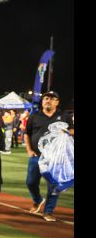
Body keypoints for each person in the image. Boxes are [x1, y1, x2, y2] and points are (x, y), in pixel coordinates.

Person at [24, 91, 74, 222]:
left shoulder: (64, 115)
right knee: (31, 182)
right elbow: (27, 134)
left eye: (52, 99)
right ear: (42, 101)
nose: (48, 100)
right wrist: (29, 150)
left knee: (53, 185)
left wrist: (67, 132)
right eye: (46, 98)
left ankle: (48, 211)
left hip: (56, 158)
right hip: (37, 156)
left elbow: (72, 130)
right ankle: (38, 199)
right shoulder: (34, 115)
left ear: (57, 102)